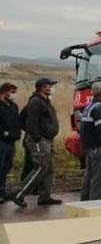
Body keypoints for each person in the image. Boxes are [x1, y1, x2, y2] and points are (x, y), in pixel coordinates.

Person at [13, 77, 62, 207]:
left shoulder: (45, 101)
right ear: (41, 87)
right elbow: (29, 121)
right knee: (41, 167)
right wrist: (36, 137)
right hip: (39, 140)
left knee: (49, 168)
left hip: (48, 140)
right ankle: (18, 194)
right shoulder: (35, 101)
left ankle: (44, 196)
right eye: (48, 85)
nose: (51, 87)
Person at [79, 82, 101, 201]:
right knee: (98, 176)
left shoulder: (89, 106)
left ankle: (85, 199)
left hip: (90, 146)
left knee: (89, 174)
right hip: (98, 146)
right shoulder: (100, 108)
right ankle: (95, 201)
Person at [0, 83, 21, 202]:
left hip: (12, 142)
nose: (13, 95)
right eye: (12, 92)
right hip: (2, 141)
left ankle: (2, 191)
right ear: (4, 92)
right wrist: (5, 133)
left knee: (6, 167)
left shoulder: (14, 106)